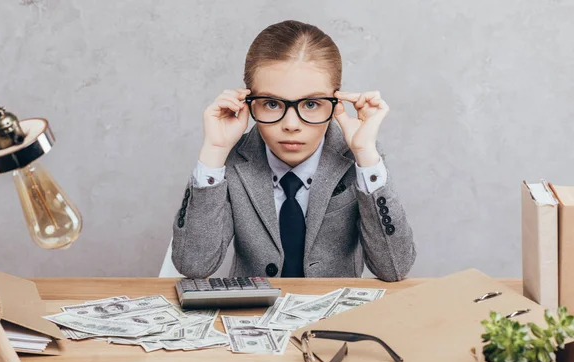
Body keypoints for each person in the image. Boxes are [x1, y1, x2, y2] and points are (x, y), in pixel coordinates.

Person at [172, 20, 416, 280]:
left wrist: (366, 154)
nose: (291, 125)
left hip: (336, 317)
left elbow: (394, 268)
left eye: (311, 104)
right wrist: (214, 150)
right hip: (253, 316)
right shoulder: (232, 158)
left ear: (335, 104)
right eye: (271, 104)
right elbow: (193, 266)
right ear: (248, 103)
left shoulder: (356, 158)